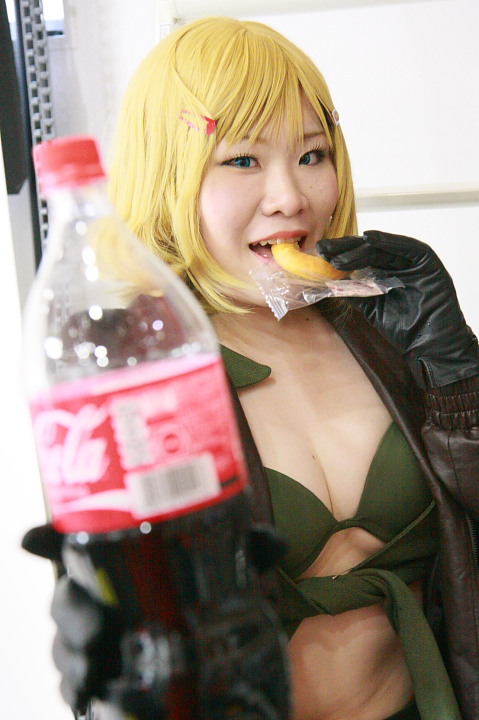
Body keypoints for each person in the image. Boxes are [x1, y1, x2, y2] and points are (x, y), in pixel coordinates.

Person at [23, 16, 479, 720]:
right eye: (242, 161)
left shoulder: (384, 331)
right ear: (170, 175)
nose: (291, 196)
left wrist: (459, 383)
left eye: (312, 154)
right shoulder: (142, 375)